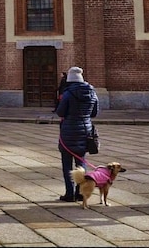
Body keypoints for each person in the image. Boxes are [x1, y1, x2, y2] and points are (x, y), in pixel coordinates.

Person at [55, 66, 98, 202]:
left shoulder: (68, 93)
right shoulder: (92, 93)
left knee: (67, 164)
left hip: (69, 131)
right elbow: (94, 113)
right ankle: (80, 193)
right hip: (85, 130)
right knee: (81, 162)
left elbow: (60, 112)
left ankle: (69, 194)